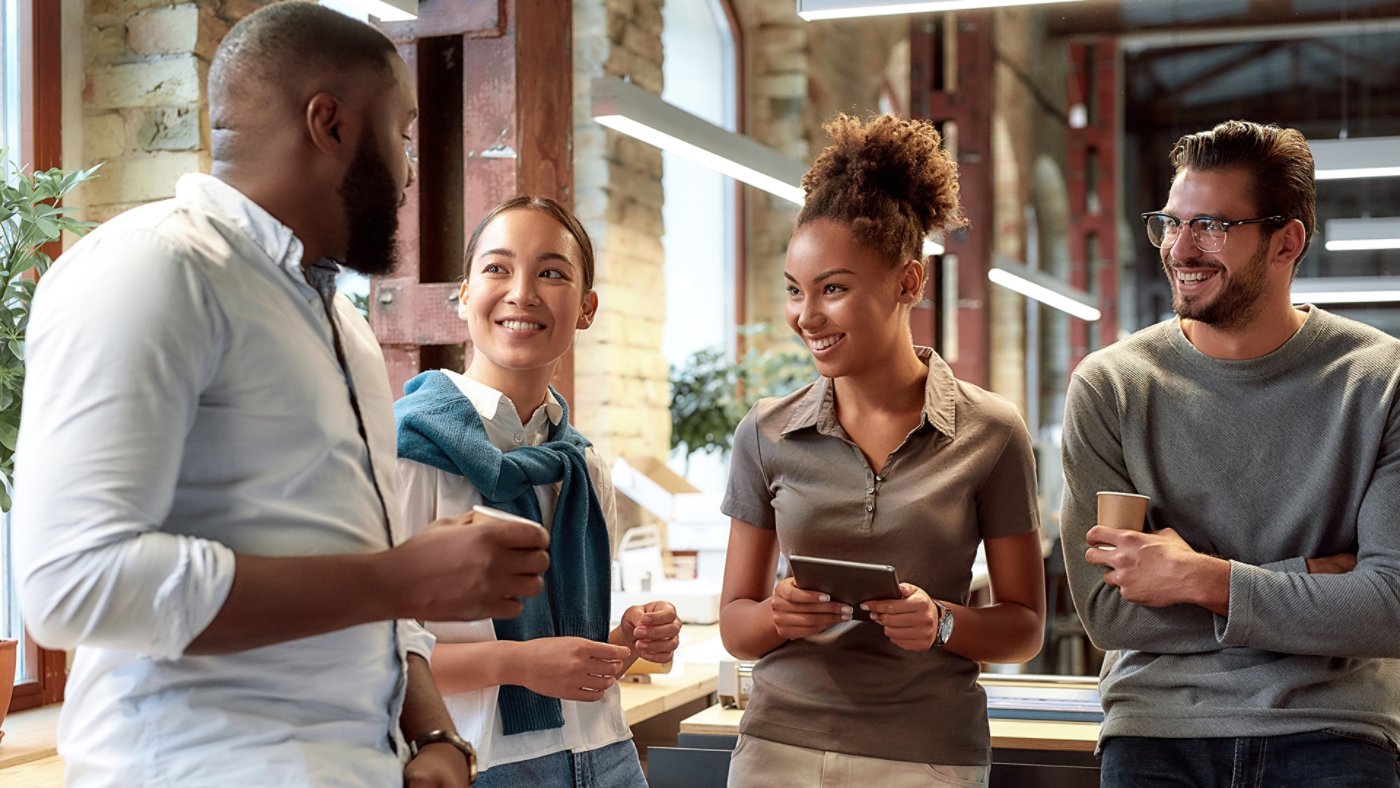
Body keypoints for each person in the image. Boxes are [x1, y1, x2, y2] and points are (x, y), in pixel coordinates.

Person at [13, 4, 552, 785]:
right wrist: (402, 576)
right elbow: (72, 585)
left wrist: (434, 733)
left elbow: (360, 577)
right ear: (329, 124)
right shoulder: (150, 269)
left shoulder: (343, 324)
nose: (409, 172)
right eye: (399, 136)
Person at [1060, 119, 1400, 786]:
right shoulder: (1112, 387)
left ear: (1287, 240)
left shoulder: (1380, 383)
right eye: (1170, 222)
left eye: (1212, 226)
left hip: (1332, 726)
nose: (1180, 249)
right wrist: (1315, 580)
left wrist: (1200, 578)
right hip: (1158, 726)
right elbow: (1109, 614)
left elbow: (1388, 608)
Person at [718, 114, 1047, 788]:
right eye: (794, 289)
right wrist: (778, 616)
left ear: (908, 282)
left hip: (928, 754)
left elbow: (1024, 628)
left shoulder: (992, 431)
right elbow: (736, 626)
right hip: (777, 751)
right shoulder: (765, 431)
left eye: (833, 289)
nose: (806, 316)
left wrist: (943, 623)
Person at [394, 195, 682, 787]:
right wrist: (518, 664)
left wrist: (626, 642)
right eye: (497, 268)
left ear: (586, 308)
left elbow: (565, 659)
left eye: (551, 272)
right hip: (479, 764)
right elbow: (374, 655)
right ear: (463, 295)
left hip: (607, 754)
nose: (522, 292)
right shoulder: (407, 448)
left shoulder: (581, 465)